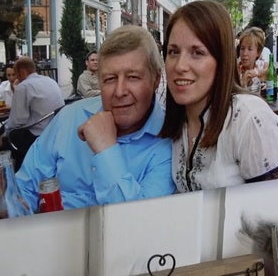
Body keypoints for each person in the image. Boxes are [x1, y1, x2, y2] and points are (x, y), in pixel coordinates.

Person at [15, 25, 175, 212]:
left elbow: (138, 220)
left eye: (132, 77)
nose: (120, 91)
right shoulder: (70, 117)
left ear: (156, 80)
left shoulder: (170, 141)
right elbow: (24, 188)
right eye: (110, 79)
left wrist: (106, 150)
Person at [160, 0, 278, 193]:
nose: (179, 66)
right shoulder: (175, 119)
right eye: (173, 52)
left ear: (221, 60)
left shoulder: (249, 119)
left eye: (197, 52)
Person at [3, 56, 65, 137]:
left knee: (5, 133)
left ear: (22, 71)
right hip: (56, 128)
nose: (16, 78)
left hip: (38, 133)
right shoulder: (50, 80)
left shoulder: (23, 87)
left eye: (16, 74)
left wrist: (4, 132)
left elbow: (18, 121)